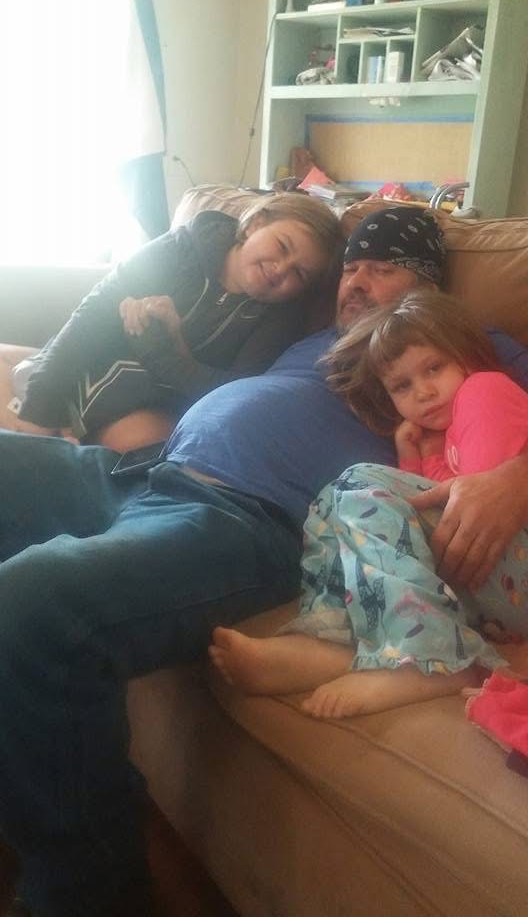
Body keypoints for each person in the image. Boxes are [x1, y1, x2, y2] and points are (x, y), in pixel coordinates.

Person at [1, 205, 528, 917]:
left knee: (32, 603)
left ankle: (89, 896)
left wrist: (514, 478)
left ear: (428, 287)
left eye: (383, 268)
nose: (356, 281)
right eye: (351, 266)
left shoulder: (468, 345)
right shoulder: (309, 336)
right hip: (143, 472)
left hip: (245, 520)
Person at [209, 289, 528, 718]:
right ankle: (333, 641)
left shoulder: (484, 391)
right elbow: (430, 507)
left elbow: (477, 506)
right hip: (496, 575)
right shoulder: (445, 433)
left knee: (360, 483)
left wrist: (421, 459)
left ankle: (430, 658)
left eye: (434, 368)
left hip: (507, 554)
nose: (423, 392)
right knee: (334, 501)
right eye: (402, 385)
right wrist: (416, 452)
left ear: (468, 358)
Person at [0, 192, 343, 452]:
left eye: (299, 273)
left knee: (143, 444)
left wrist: (170, 351)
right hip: (91, 363)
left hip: (153, 402)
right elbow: (92, 316)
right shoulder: (181, 248)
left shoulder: (280, 318)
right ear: (255, 224)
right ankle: (49, 427)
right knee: (28, 383)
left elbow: (233, 395)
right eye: (282, 246)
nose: (281, 269)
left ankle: (58, 443)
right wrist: (40, 408)